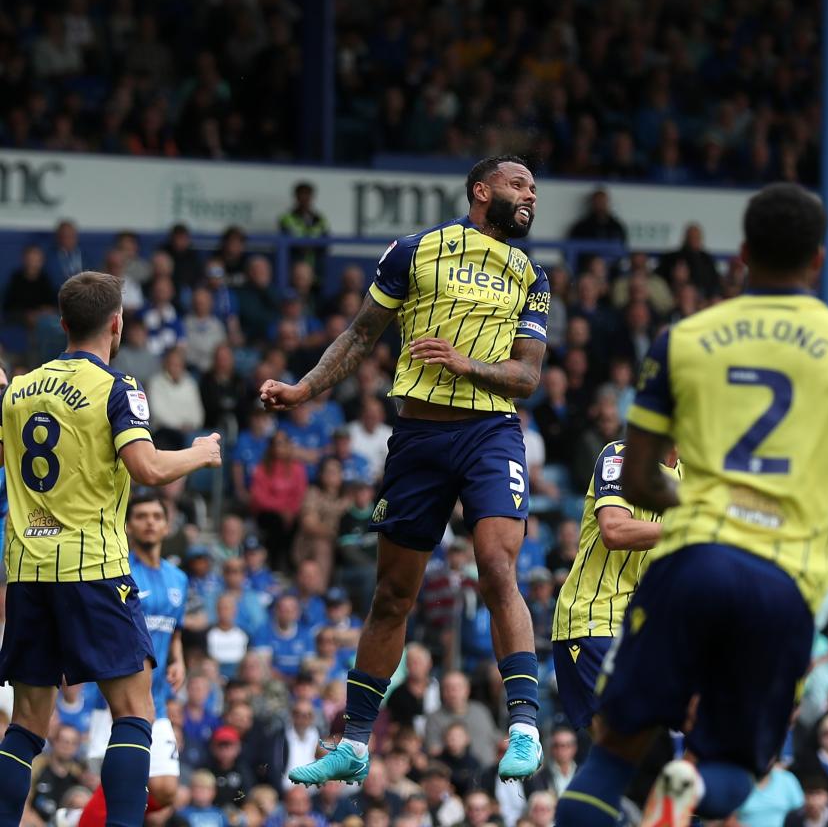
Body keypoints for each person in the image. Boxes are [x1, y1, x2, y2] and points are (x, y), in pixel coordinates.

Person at [554, 184, 828, 827]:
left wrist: (706, 509)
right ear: (819, 259)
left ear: (742, 255)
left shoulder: (684, 338)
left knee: (612, 756)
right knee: (733, 765)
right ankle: (690, 788)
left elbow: (641, 477)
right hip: (783, 583)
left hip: (692, 565)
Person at [266, 156, 551, 786]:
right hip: (419, 437)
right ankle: (354, 742)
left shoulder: (531, 274)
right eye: (518, 184)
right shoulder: (415, 251)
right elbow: (360, 335)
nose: (530, 195)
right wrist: (304, 388)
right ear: (481, 191)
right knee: (392, 594)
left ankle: (525, 726)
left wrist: (465, 365)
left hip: (490, 433)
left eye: (534, 187)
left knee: (497, 565)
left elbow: (528, 376)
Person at [0, 271, 221, 827]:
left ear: (63, 323)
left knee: (25, 724)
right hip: (93, 568)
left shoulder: (19, 389)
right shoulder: (118, 387)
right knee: (134, 712)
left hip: (27, 571)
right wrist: (200, 452)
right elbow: (147, 467)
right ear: (117, 323)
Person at [78, 492, 190, 827]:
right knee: (119, 785)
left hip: (158, 699)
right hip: (118, 700)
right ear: (127, 526)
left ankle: (79, 819)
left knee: (166, 789)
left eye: (156, 516)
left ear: (167, 525)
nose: (150, 523)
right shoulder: (118, 571)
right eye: (141, 516)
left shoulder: (179, 579)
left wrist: (178, 660)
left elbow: (175, 629)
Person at [551, 439, 676, 729]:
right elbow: (614, 529)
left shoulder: (693, 477)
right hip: (594, 619)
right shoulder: (622, 455)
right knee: (625, 740)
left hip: (641, 630)